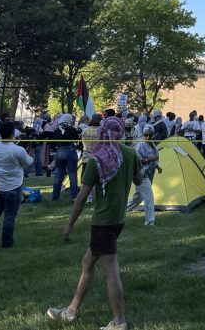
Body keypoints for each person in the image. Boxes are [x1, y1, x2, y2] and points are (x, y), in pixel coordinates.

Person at [47, 116, 142, 330]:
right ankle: (70, 311)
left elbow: (81, 196)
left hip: (103, 222)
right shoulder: (131, 154)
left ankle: (119, 322)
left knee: (110, 270)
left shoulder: (96, 161)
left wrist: (69, 224)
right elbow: (138, 179)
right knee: (88, 263)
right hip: (118, 220)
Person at [0, 120, 33, 249]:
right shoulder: (18, 150)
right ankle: (7, 243)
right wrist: (29, 150)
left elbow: (6, 146)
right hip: (13, 186)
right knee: (9, 216)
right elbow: (28, 162)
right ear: (12, 133)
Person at [128, 121, 158, 226]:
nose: (147, 136)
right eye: (146, 134)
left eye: (150, 134)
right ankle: (150, 222)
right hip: (141, 174)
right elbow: (137, 160)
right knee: (149, 197)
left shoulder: (152, 144)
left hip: (150, 173)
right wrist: (150, 159)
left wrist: (158, 166)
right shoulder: (140, 145)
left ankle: (119, 210)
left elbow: (156, 156)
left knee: (137, 198)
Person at [52, 114, 80, 202]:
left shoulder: (56, 131)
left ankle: (55, 197)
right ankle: (74, 196)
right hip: (70, 151)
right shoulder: (72, 129)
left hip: (60, 152)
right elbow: (77, 140)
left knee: (58, 175)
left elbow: (53, 144)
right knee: (72, 174)